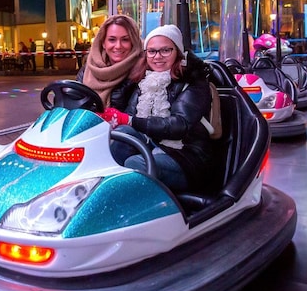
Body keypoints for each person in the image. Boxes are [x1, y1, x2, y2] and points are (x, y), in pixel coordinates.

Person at [100, 24, 214, 193]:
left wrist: (130, 120)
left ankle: (126, 205)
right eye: (152, 51)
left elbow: (179, 125)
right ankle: (100, 189)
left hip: (186, 157)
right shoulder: (145, 82)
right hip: (154, 145)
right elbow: (130, 119)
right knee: (123, 133)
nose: (157, 57)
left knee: (136, 163)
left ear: (178, 52)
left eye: (165, 50)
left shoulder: (193, 83)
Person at [76, 14, 143, 110]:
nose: (118, 46)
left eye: (125, 39)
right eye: (112, 40)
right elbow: (73, 101)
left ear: (134, 42)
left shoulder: (142, 69)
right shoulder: (89, 68)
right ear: (103, 43)